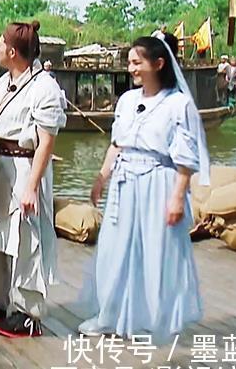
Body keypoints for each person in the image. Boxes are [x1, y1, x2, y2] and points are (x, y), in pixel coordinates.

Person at [78, 33, 209, 342]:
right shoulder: (127, 100)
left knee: (155, 249)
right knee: (114, 248)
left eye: (137, 62)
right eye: (130, 63)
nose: (132, 68)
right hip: (125, 182)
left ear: (159, 63)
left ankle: (153, 319)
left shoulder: (179, 105)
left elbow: (186, 157)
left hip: (158, 181)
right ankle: (110, 314)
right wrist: (101, 177)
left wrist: (178, 196)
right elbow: (117, 143)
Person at [0, 21, 67, 339]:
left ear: (11, 50)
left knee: (26, 240)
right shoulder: (4, 82)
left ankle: (27, 312)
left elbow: (46, 141)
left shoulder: (44, 87)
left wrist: (32, 186)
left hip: (24, 168)